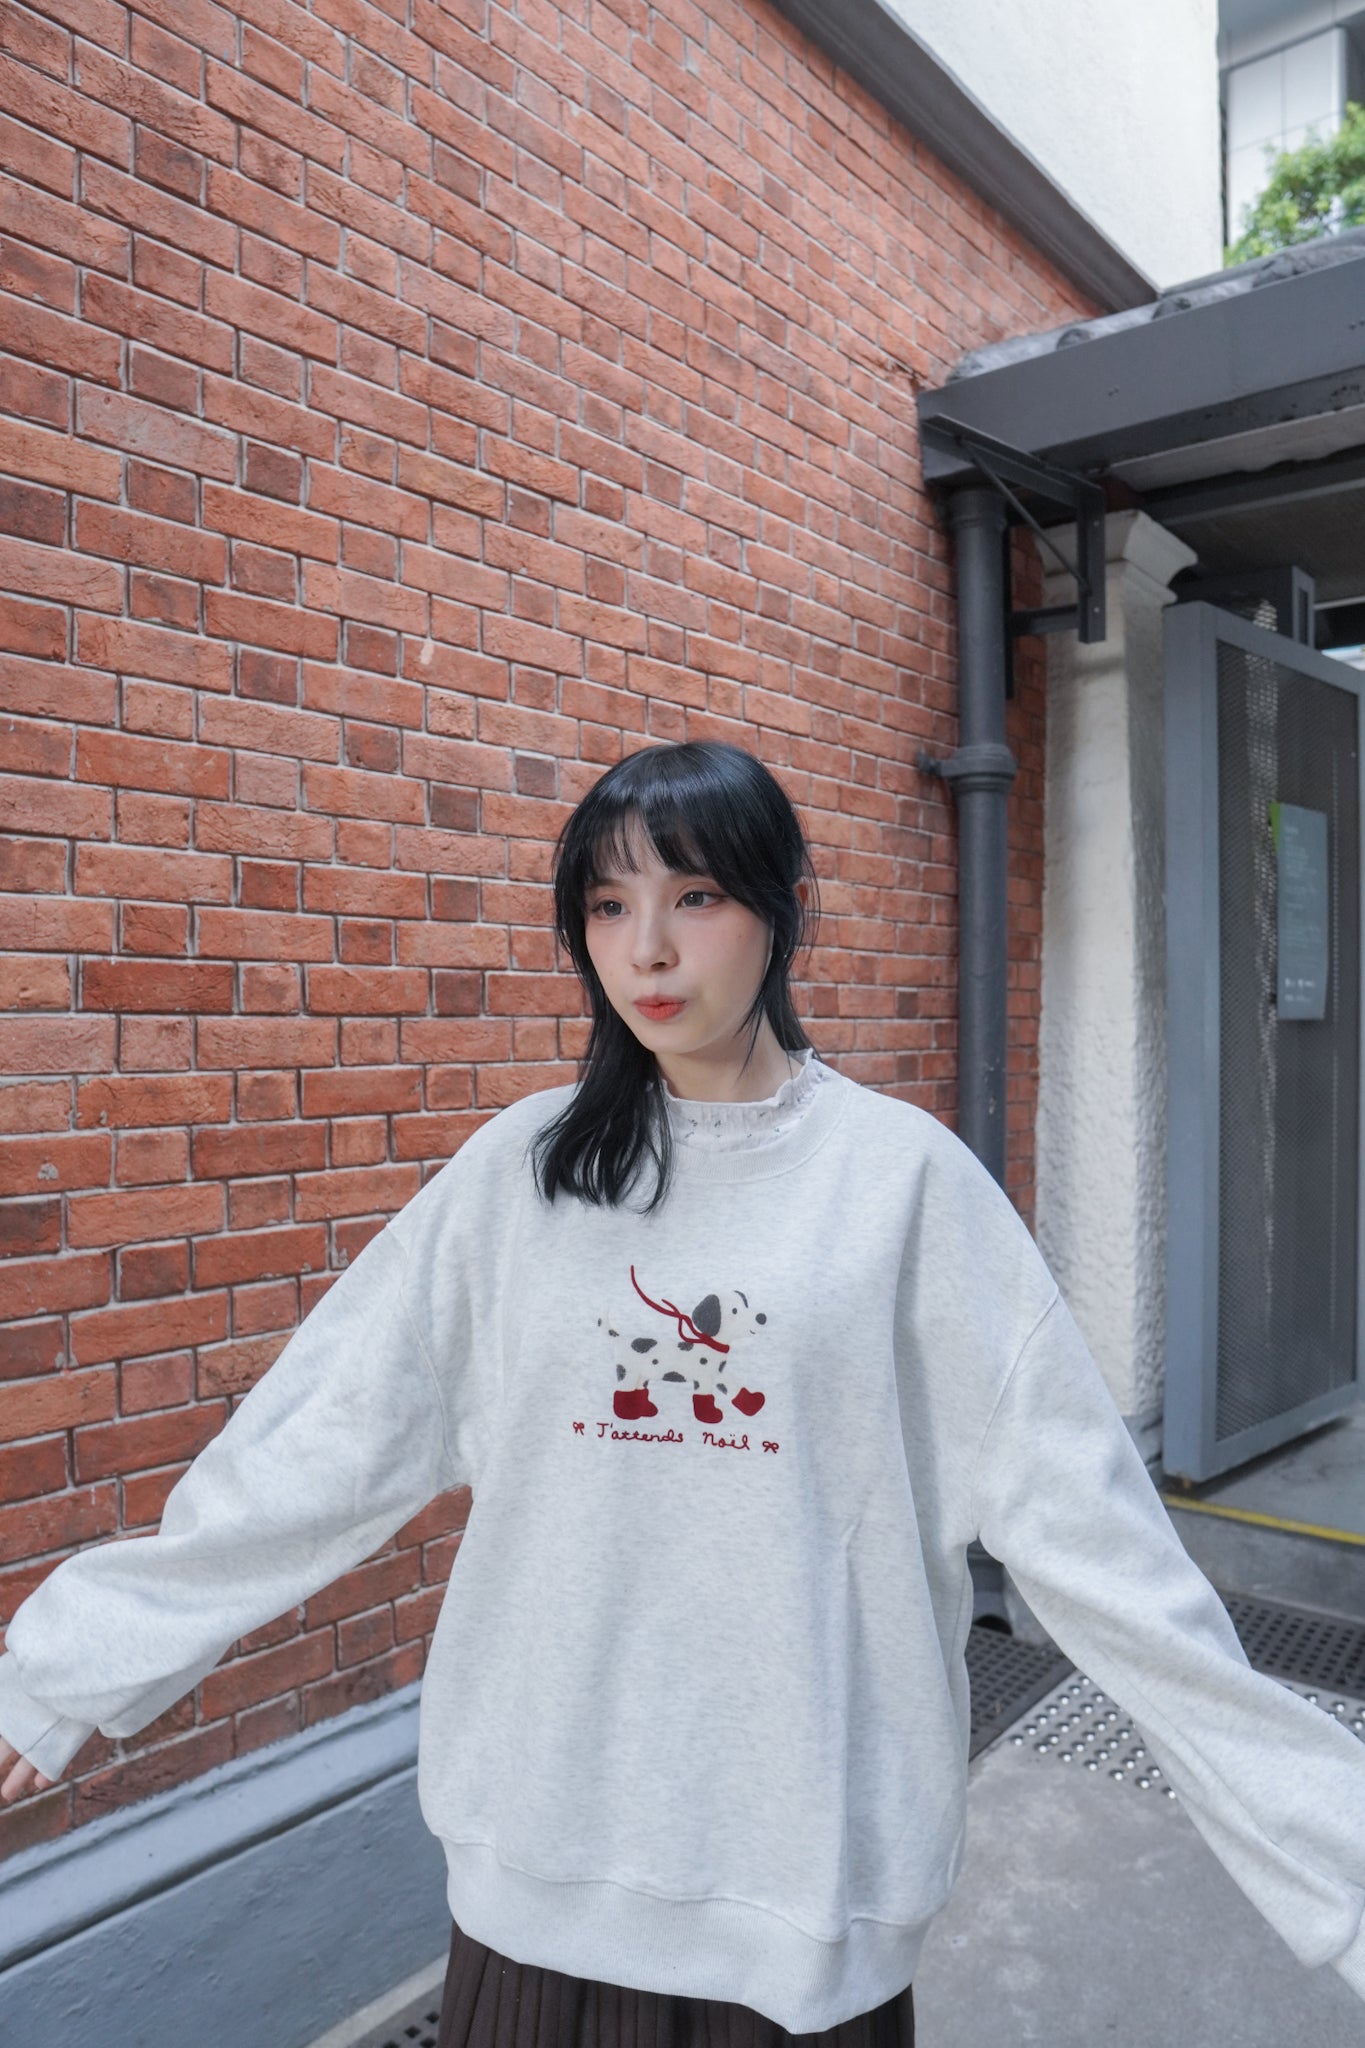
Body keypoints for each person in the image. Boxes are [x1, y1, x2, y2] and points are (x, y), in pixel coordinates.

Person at [2, 739, 1364, 2047]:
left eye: (694, 896)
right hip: (541, 1865)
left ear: (779, 908)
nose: (645, 949)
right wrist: (72, 1669)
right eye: (608, 906)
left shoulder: (899, 1185)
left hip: (802, 1888)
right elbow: (315, 1449)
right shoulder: (521, 1177)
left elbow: (1103, 1551)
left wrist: (1334, 1849)